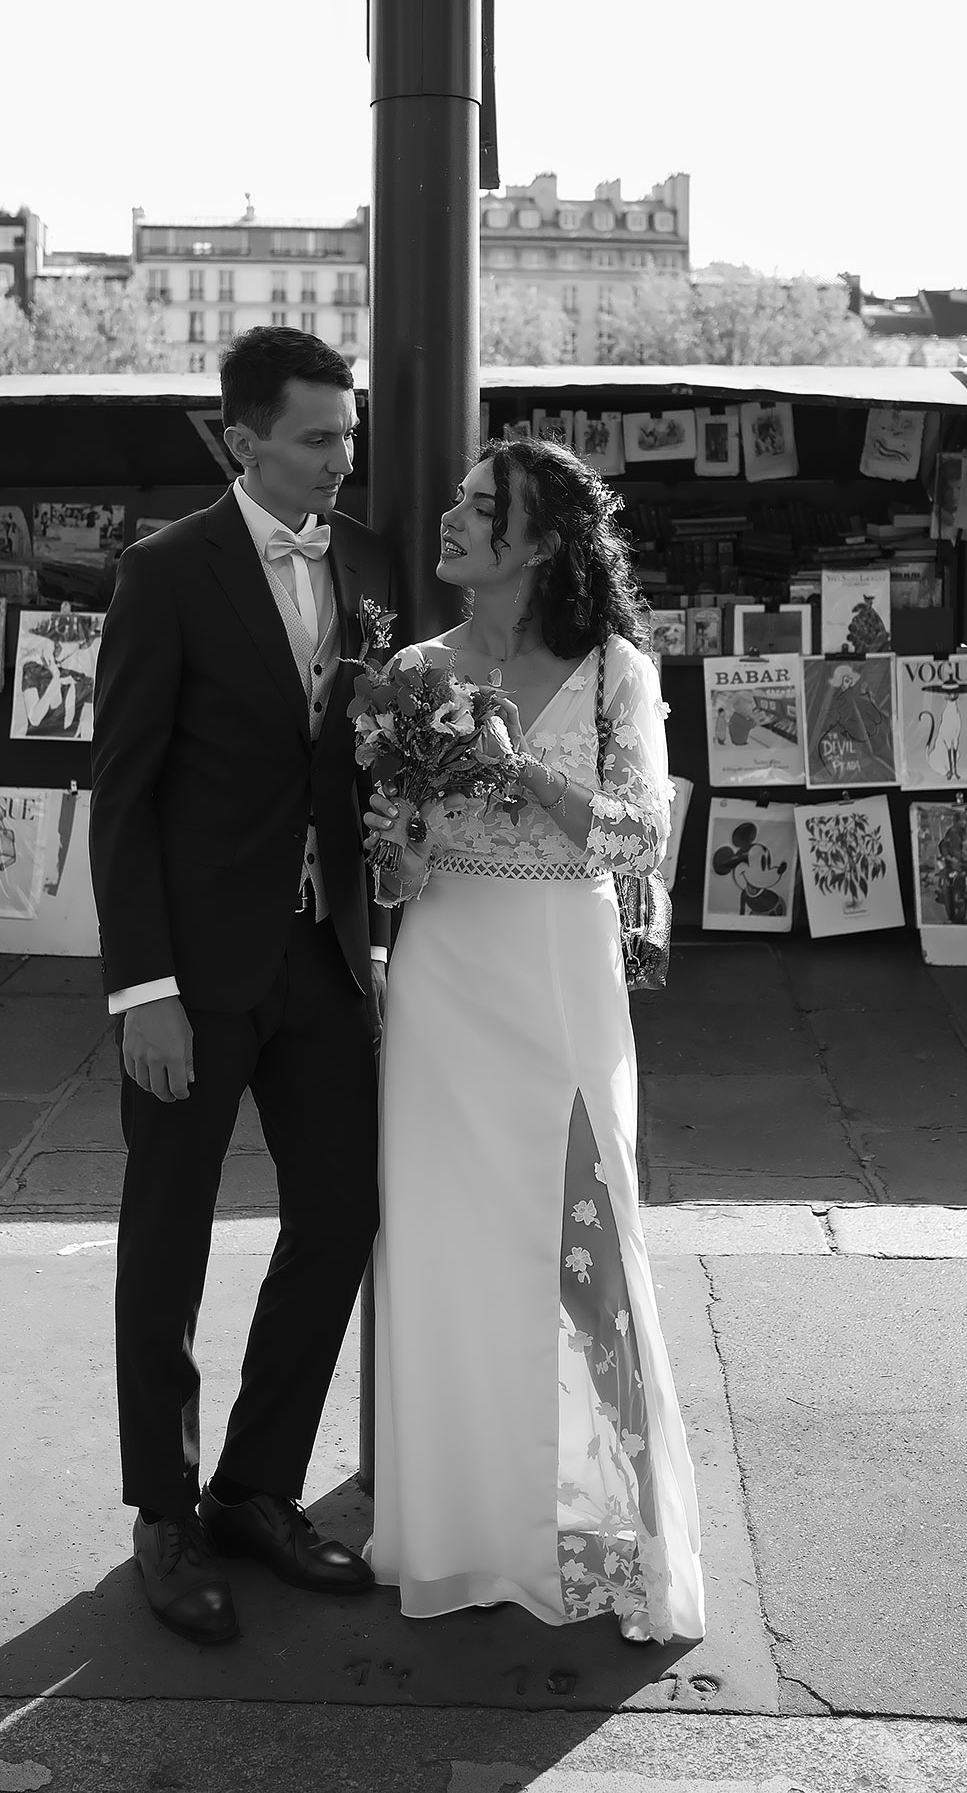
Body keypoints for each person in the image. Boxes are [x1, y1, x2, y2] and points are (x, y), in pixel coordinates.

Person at [363, 436, 704, 1648]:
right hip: (443, 980)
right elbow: (397, 876)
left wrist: (522, 773)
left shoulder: (614, 671)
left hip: (561, 982)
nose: (451, 519)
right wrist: (400, 842)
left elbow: (638, 838)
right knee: (446, 1249)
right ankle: (458, 1532)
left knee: (580, 1245)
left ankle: (604, 1539)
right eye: (457, 501)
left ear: (543, 541)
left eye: (480, 507)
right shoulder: (413, 672)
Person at [89, 326, 393, 1647]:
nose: (341, 459)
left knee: (341, 1214)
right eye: (319, 437)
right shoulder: (165, 572)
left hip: (323, 962)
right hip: (195, 976)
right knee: (169, 1237)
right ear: (243, 439)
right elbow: (122, 795)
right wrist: (142, 989)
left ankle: (254, 1487)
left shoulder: (366, 561)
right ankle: (162, 1513)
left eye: (348, 434)